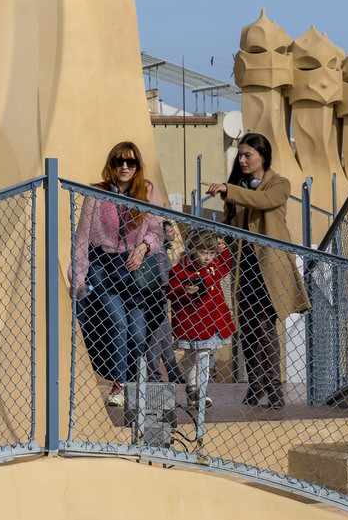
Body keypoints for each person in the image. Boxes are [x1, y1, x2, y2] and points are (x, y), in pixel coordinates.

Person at [204, 132, 306, 407]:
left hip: (270, 267)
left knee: (264, 325)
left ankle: (273, 386)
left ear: (263, 156)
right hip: (244, 265)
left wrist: (228, 189)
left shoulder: (279, 183)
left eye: (248, 155)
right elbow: (230, 225)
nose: (242, 160)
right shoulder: (237, 187)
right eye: (240, 155)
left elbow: (264, 201)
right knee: (246, 328)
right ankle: (256, 383)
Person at [70, 142, 166, 414]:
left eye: (130, 162)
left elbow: (157, 231)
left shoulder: (146, 191)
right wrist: (78, 277)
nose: (124, 166)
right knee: (118, 323)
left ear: (137, 166)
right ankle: (119, 383)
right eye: (118, 161)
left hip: (134, 268)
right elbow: (82, 238)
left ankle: (133, 379)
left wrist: (143, 247)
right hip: (103, 265)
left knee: (137, 332)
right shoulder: (96, 193)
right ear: (111, 164)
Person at [167, 228, 235, 404]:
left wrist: (223, 250)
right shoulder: (181, 269)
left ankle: (200, 390)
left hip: (210, 320)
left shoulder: (213, 267)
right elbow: (171, 291)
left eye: (212, 253)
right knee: (190, 354)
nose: (208, 257)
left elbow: (226, 266)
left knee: (203, 354)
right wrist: (185, 291)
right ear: (192, 249)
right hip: (190, 320)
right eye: (203, 252)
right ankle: (192, 388)